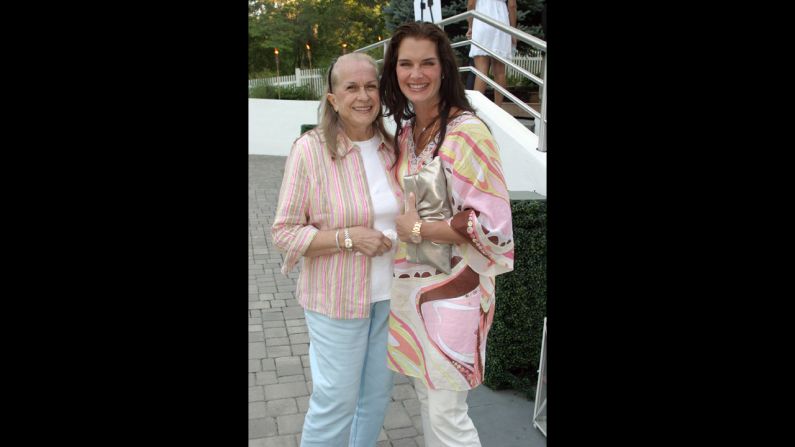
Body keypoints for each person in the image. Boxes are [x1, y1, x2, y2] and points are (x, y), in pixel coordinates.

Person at [380, 22, 515, 446]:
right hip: (411, 291)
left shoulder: (468, 133)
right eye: (405, 64)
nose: (415, 74)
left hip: (454, 294)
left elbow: (494, 225)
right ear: (394, 70)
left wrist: (418, 229)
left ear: (444, 70)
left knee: (447, 416)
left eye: (426, 63)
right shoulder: (407, 132)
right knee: (426, 400)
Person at [271, 52, 401, 447]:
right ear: (332, 98)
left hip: (390, 299)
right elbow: (284, 232)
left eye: (371, 86)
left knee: (375, 399)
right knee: (335, 402)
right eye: (351, 87)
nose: (363, 96)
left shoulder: (392, 147)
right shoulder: (310, 150)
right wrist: (348, 237)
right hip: (336, 301)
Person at [466, 0, 518, 106]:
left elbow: (471, 3)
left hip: (481, 19)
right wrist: (513, 31)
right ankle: (498, 108)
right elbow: (512, 5)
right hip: (501, 22)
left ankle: (476, 109)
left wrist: (470, 26)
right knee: (500, 72)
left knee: (481, 71)